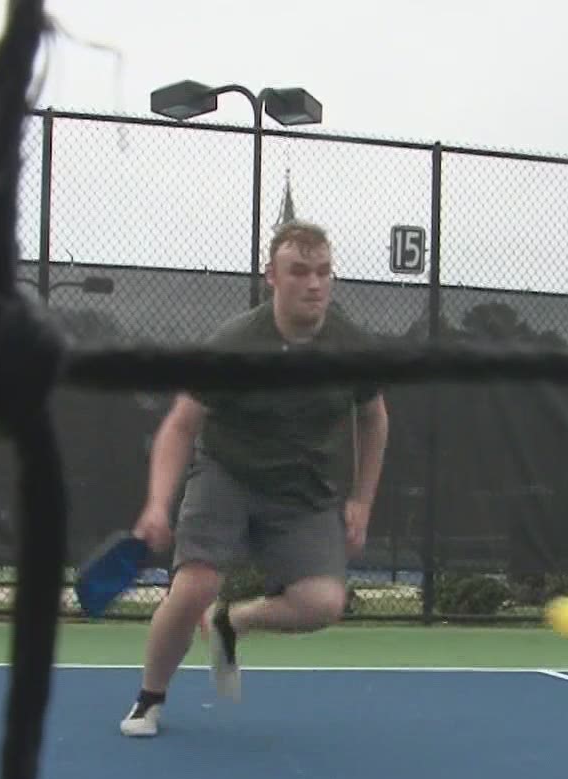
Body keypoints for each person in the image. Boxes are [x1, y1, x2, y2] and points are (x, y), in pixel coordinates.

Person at [119, 220, 389, 738]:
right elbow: (180, 425)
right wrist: (158, 503)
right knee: (195, 584)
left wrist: (362, 500)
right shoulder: (236, 345)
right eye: (300, 271)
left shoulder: (351, 346)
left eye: (324, 272)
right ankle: (148, 700)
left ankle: (232, 622)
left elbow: (375, 420)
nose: (314, 284)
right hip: (228, 473)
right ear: (272, 277)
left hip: (304, 490)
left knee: (323, 603)